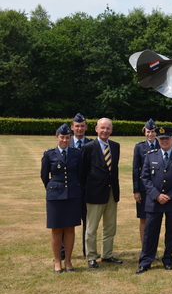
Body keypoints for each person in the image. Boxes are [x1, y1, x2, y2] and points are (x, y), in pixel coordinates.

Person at [136, 127, 172, 274]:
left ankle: (168, 258)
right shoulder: (150, 156)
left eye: (167, 138)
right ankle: (146, 261)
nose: (164, 141)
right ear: (158, 140)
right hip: (154, 201)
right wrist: (156, 195)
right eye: (162, 139)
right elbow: (145, 177)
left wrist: (171, 195)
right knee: (150, 232)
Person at [41, 124, 83, 273]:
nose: (64, 140)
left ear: (70, 138)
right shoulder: (49, 154)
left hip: (73, 195)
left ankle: (69, 261)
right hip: (55, 196)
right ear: (57, 137)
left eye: (67, 137)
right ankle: (57, 261)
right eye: (62, 137)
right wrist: (54, 188)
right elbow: (45, 176)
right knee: (56, 229)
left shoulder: (77, 154)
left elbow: (80, 174)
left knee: (70, 229)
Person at [81, 118, 122, 268]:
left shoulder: (115, 146)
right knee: (91, 228)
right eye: (102, 128)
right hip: (94, 193)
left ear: (111, 130)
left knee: (110, 227)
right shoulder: (88, 147)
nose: (105, 131)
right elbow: (83, 172)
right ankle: (91, 256)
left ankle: (107, 254)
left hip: (112, 192)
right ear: (96, 129)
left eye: (108, 128)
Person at [132, 118, 158, 246]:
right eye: (148, 131)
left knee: (155, 220)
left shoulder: (161, 145)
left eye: (153, 132)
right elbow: (136, 170)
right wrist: (136, 190)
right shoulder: (139, 147)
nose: (150, 134)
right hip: (143, 188)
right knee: (144, 218)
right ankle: (145, 247)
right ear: (144, 132)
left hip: (158, 188)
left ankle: (153, 247)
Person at [70, 112, 92, 258]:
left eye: (82, 126)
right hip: (70, 190)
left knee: (88, 222)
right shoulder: (65, 142)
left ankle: (87, 250)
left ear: (86, 127)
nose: (79, 129)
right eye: (77, 126)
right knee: (67, 222)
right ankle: (64, 252)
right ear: (72, 127)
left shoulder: (92, 144)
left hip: (87, 190)